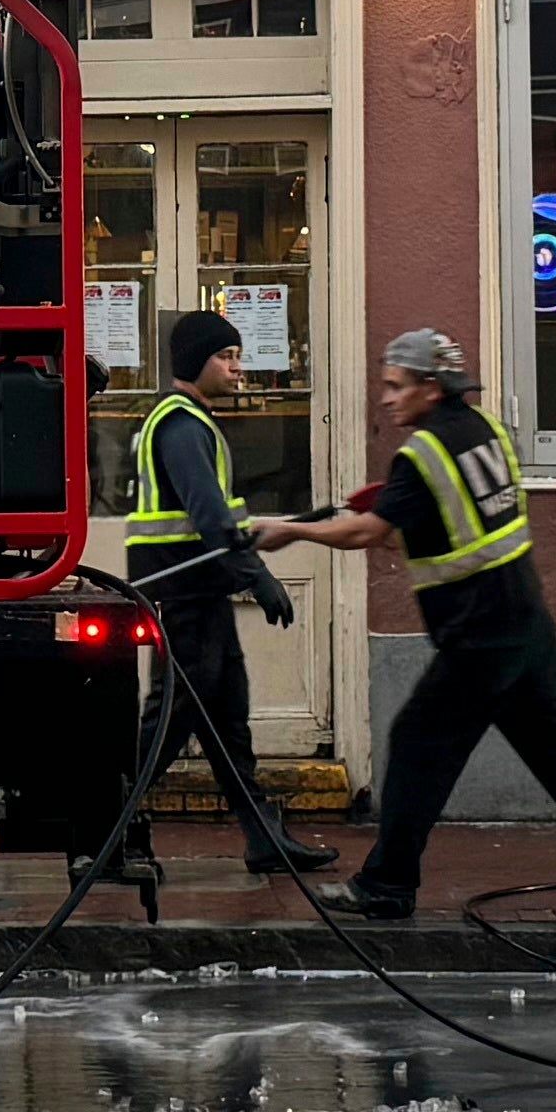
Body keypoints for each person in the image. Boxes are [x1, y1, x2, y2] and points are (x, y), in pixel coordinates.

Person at [344, 326, 556, 924]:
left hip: (478, 640)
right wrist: (403, 521)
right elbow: (462, 524)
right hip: (524, 624)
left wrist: (285, 532)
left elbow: (368, 533)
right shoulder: (488, 432)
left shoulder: (422, 455)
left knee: (419, 747)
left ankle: (387, 886)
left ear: (430, 387)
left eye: (396, 387)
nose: (386, 398)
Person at [118, 309, 347, 873]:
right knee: (168, 727)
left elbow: (213, 520)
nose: (239, 368)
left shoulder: (191, 422)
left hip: (200, 595)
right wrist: (259, 578)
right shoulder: (180, 425)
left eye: (239, 355)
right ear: (197, 361)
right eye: (227, 357)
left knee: (227, 724)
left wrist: (247, 555)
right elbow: (208, 515)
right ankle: (103, 835)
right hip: (184, 599)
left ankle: (264, 839)